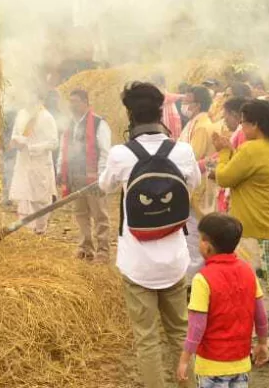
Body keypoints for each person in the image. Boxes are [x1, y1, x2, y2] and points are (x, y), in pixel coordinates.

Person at [99, 82, 202, 388]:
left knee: (147, 340)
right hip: (174, 260)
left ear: (130, 115)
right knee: (180, 334)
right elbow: (192, 186)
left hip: (137, 262)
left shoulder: (121, 154)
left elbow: (105, 187)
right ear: (161, 112)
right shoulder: (182, 150)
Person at [214, 99, 269, 362]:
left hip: (253, 234)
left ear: (255, 124)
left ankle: (258, 348)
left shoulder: (251, 149)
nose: (242, 127)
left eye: (244, 122)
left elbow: (225, 177)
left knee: (252, 292)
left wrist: (224, 151)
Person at [177, 213, 269, 388]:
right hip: (241, 361)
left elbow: (197, 326)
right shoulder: (248, 271)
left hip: (211, 364)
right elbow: (260, 315)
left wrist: (184, 359)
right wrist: (263, 343)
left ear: (207, 246)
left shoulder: (202, 279)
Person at [60, 88, 112, 262]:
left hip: (93, 177)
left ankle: (103, 250)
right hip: (75, 176)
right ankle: (85, 248)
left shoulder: (99, 123)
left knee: (99, 215)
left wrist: (101, 177)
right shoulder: (69, 124)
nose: (71, 105)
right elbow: (63, 148)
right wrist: (61, 169)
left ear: (85, 103)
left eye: (75, 101)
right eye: (70, 101)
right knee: (81, 214)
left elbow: (105, 152)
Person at [181, 86, 223, 278]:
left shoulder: (202, 127)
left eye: (187, 101)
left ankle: (193, 282)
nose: (184, 105)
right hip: (196, 187)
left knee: (195, 236)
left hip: (198, 190)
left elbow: (190, 160)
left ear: (197, 105)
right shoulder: (196, 124)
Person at [8, 94, 59, 235]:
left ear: (39, 99)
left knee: (40, 199)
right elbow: (15, 134)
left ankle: (41, 229)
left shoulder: (46, 117)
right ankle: (27, 230)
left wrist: (32, 147)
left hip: (39, 163)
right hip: (23, 162)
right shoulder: (21, 114)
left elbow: (54, 142)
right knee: (24, 196)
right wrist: (16, 141)